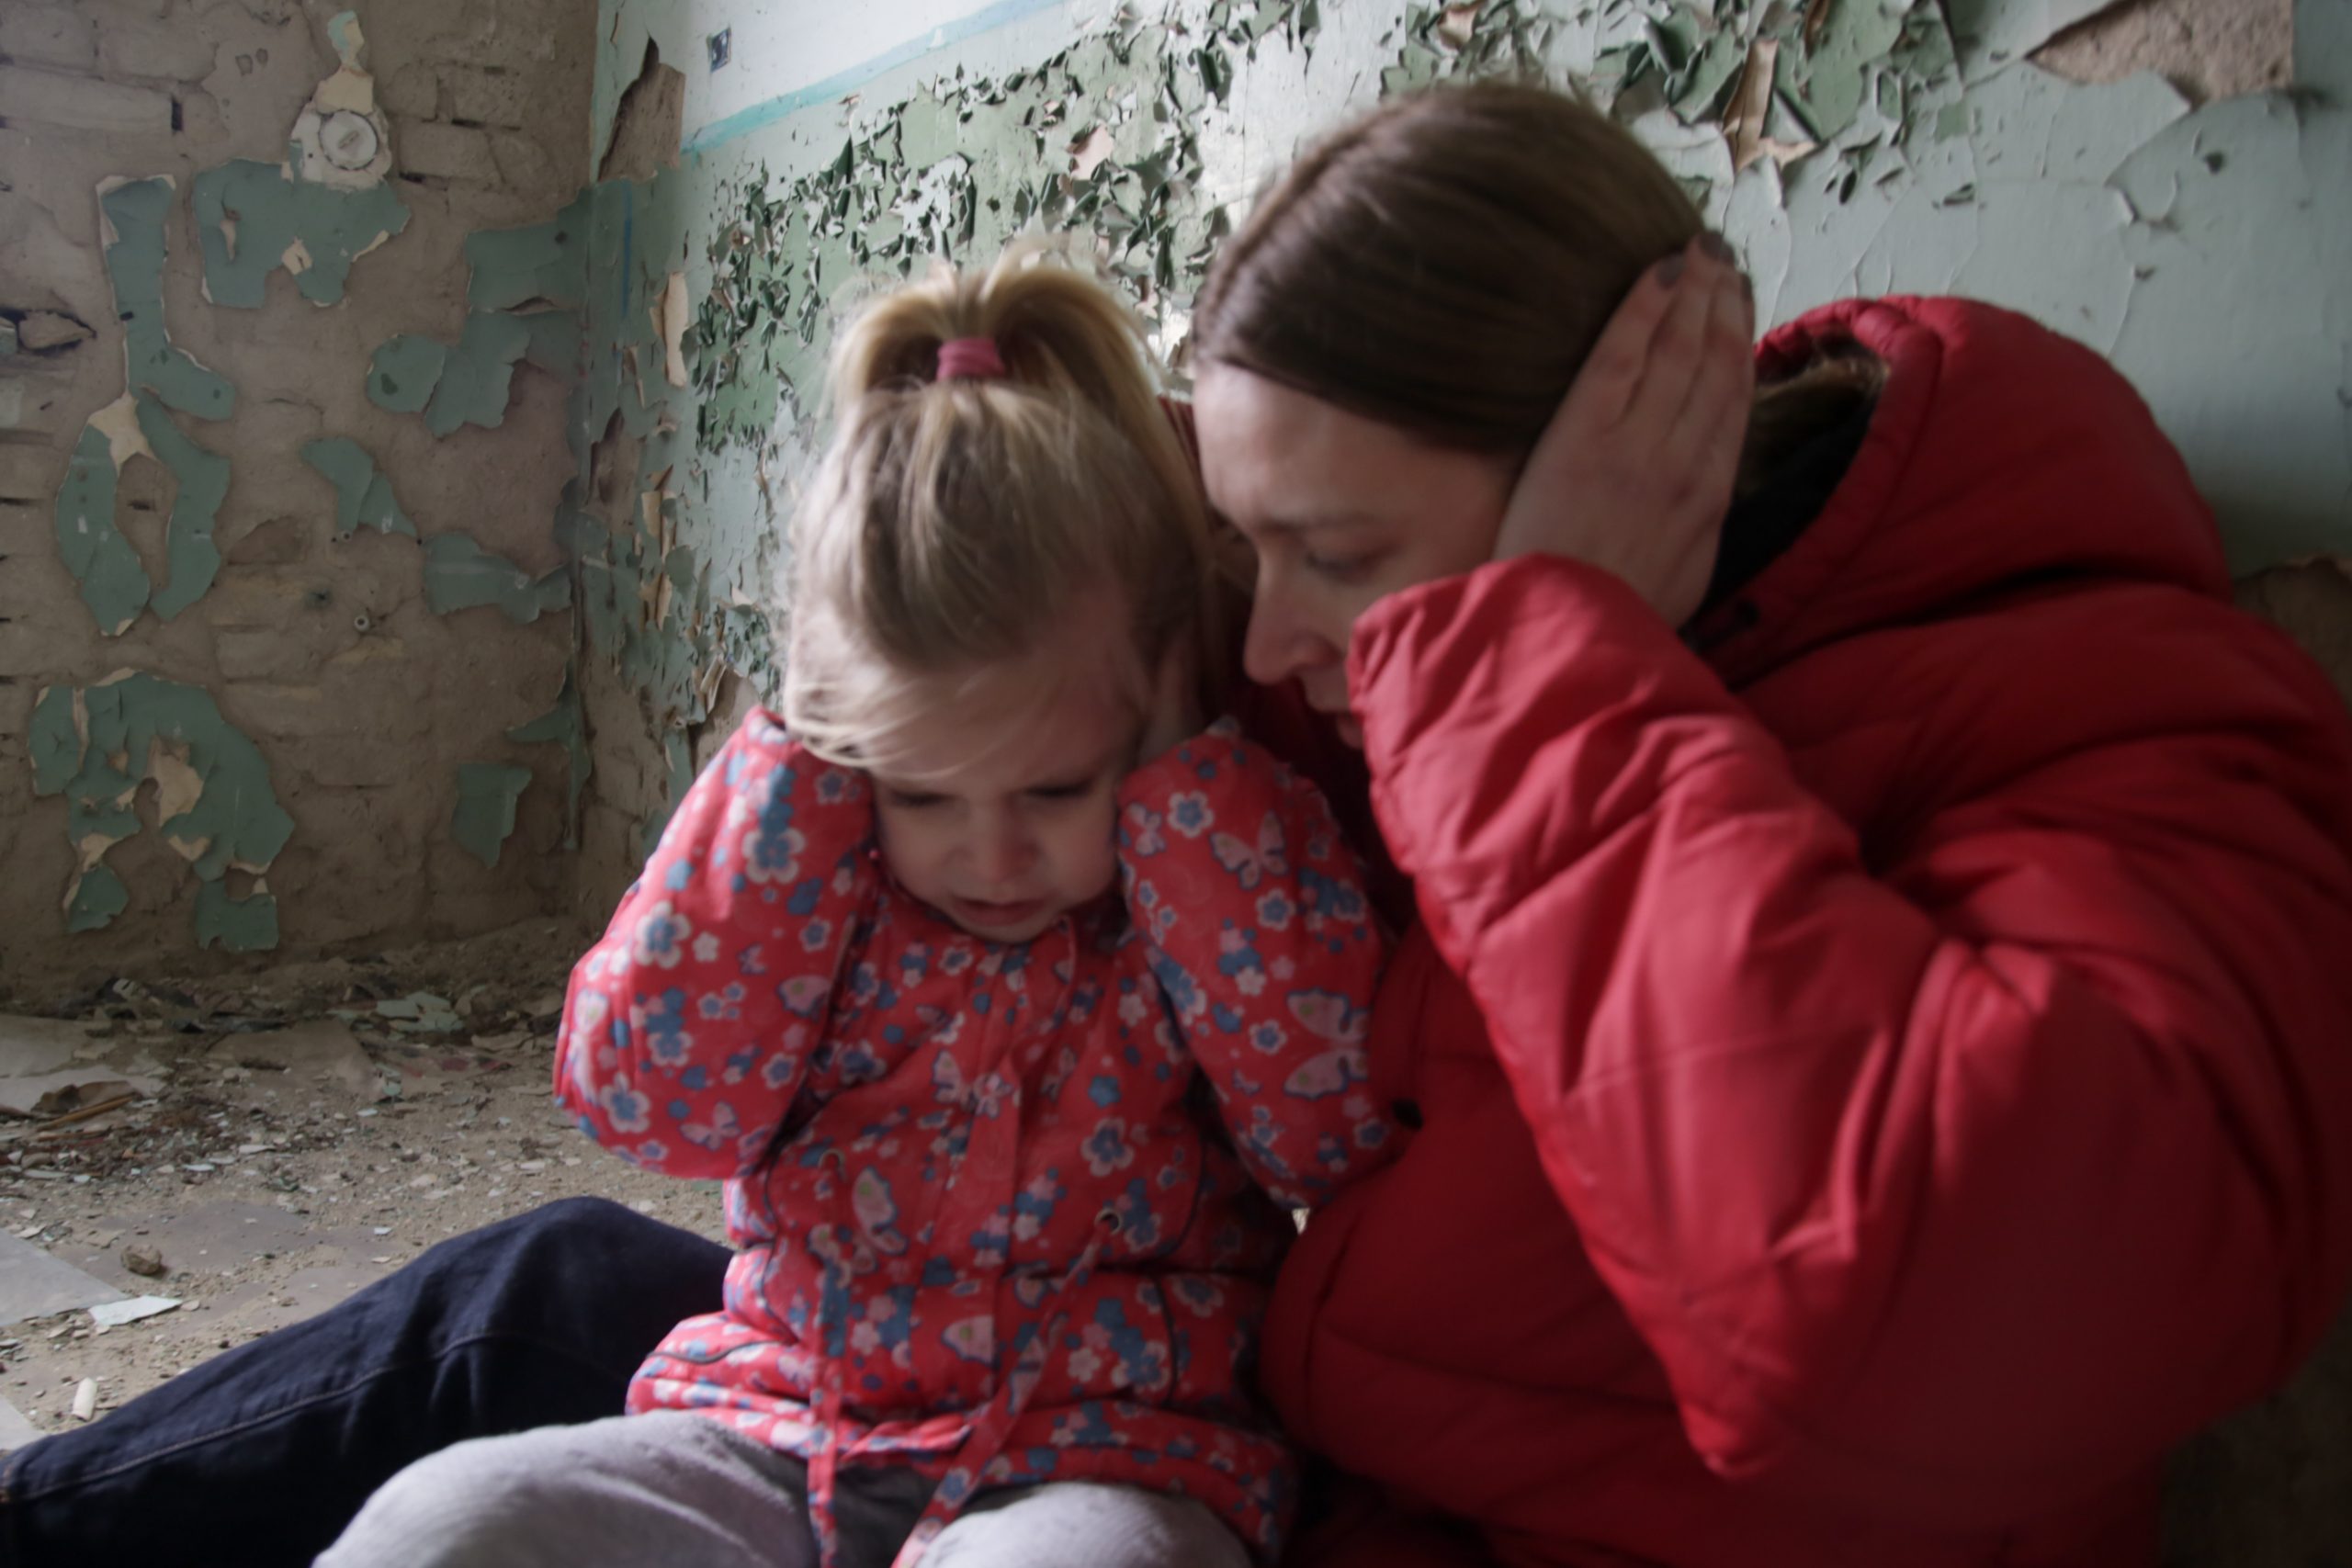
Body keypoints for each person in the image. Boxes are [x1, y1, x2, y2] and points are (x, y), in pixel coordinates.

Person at [8, 79, 2352, 1568]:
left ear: (1618, 489)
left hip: (1279, 1478)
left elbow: (1916, 1316)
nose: (1260, 659)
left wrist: (1536, 652)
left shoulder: (2113, 711)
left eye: (1332, 558)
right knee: (526, 1297)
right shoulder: (1340, 679)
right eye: (1255, 559)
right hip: (1011, 1379)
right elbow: (996, 652)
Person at [315, 254, 1392, 1568]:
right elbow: (657, 1106)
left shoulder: (1219, 844)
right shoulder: (812, 864)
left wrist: (1185, 801)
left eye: (1057, 786)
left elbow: (1330, 1139)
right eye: (925, 792)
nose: (994, 852)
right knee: (447, 1522)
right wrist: (793, 773)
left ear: (1160, 709)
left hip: (1110, 1457)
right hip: (781, 1426)